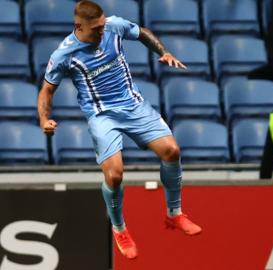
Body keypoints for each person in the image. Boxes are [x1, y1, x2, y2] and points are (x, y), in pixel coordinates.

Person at [37, 0, 202, 260]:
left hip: (134, 106)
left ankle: (174, 214)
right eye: (96, 30)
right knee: (114, 175)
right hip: (102, 115)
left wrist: (164, 51)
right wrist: (44, 120)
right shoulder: (64, 55)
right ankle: (119, 228)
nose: (102, 32)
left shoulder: (113, 26)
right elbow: (47, 90)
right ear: (78, 26)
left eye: (103, 27)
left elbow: (142, 32)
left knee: (172, 151)